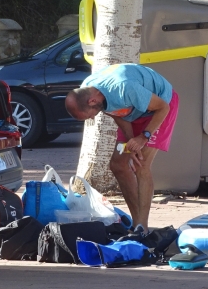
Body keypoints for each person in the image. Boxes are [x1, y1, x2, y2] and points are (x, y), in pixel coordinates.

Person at [65, 63, 179, 232]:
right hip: (132, 111)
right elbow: (116, 112)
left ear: (92, 101)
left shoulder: (124, 88)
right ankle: (137, 224)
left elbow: (163, 107)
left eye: (90, 115)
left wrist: (143, 137)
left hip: (160, 107)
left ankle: (143, 228)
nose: (92, 118)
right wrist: (130, 140)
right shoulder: (88, 90)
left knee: (141, 164)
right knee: (118, 165)